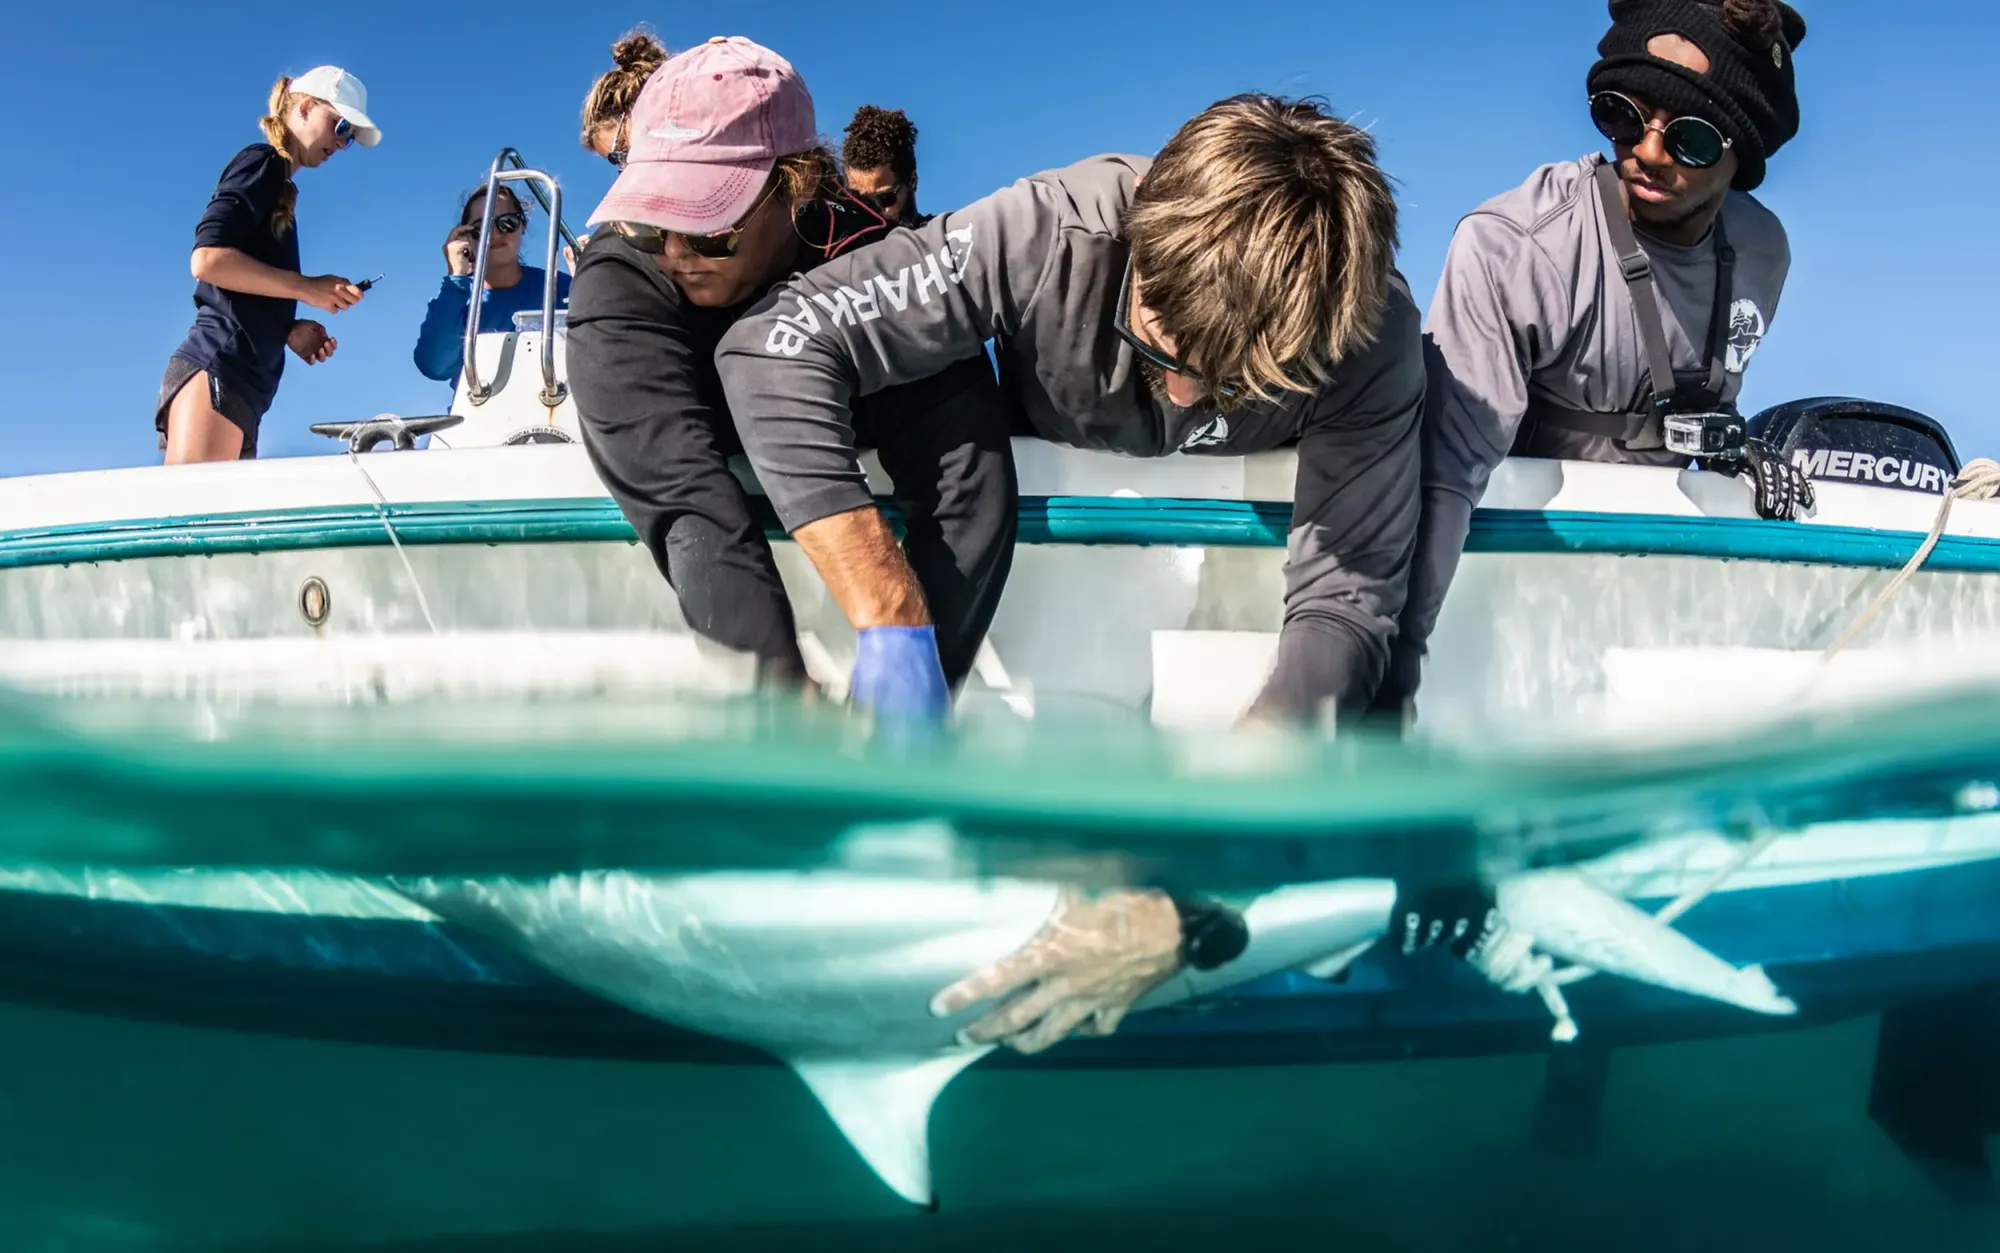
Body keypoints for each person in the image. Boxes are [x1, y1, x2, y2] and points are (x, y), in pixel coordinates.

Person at [711, 94, 1426, 1051]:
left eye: (1237, 383)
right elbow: (773, 345)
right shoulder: (1049, 228)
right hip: (1026, 610)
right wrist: (888, 610)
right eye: (1163, 346)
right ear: (1136, 246)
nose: (1179, 403)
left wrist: (1190, 891)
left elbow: (1347, 598)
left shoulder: (1368, 333)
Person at [1378, 0, 1814, 719]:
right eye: (1620, 114)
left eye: (1692, 140)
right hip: (1500, 586)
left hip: (1645, 598)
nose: (1645, 151)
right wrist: (1395, 670)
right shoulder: (1512, 245)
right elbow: (1444, 479)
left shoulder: (1765, 252)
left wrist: (1733, 445)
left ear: (1742, 156)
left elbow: (1695, 390)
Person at [565, 36, 1018, 701]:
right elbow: (686, 500)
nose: (673, 250)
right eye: (653, 213)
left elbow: (967, 468)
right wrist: (783, 708)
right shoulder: (620, 275)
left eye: (705, 219)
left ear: (798, 183)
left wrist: (915, 686)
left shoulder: (872, 252)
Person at [158, 66, 380, 463]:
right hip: (219, 370)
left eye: (350, 138)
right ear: (307, 107)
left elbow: (241, 289)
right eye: (341, 126)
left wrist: (286, 329)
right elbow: (207, 259)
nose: (342, 143)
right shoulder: (261, 161)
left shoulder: (281, 189)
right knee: (193, 524)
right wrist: (306, 288)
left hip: (241, 388)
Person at [412, 185, 572, 387]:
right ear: (465, 237)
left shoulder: (561, 287)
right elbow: (435, 366)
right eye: (482, 228)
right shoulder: (456, 297)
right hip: (481, 413)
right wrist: (455, 277)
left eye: (507, 223)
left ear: (523, 225)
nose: (495, 234)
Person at [841, 105, 921, 226]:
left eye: (884, 199)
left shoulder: (942, 239)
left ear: (913, 181)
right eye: (861, 202)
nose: (872, 213)